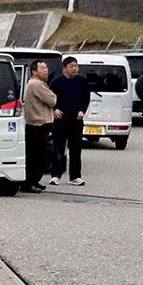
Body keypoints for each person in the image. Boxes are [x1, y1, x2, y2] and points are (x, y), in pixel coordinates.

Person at [48, 56, 91, 187]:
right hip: (61, 119)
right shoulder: (56, 82)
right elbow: (49, 98)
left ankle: (75, 176)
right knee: (58, 148)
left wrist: (82, 111)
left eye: (76, 66)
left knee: (76, 149)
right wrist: (54, 109)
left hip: (76, 119)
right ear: (64, 68)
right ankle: (56, 175)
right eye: (71, 66)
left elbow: (86, 98)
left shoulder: (82, 82)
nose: (74, 68)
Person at [22, 60, 57, 193]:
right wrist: (54, 95)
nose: (46, 70)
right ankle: (29, 183)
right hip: (37, 124)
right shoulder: (36, 84)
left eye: (46, 68)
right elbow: (52, 100)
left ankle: (34, 181)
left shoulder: (37, 84)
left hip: (37, 124)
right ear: (34, 71)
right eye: (42, 68)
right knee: (35, 156)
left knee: (38, 156)